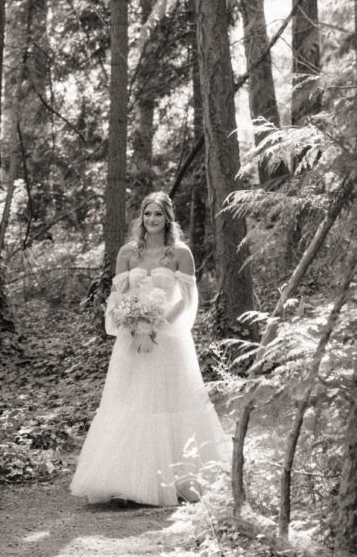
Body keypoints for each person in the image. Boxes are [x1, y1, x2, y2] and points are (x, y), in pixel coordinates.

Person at [70, 191, 228, 507]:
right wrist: (135, 325)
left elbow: (186, 299)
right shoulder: (128, 252)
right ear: (141, 218)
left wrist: (154, 326)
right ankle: (122, 482)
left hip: (169, 340)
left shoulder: (180, 252)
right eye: (147, 214)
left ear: (168, 218)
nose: (152, 219)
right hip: (132, 340)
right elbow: (118, 297)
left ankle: (178, 480)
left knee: (169, 402)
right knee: (130, 401)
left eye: (158, 214)